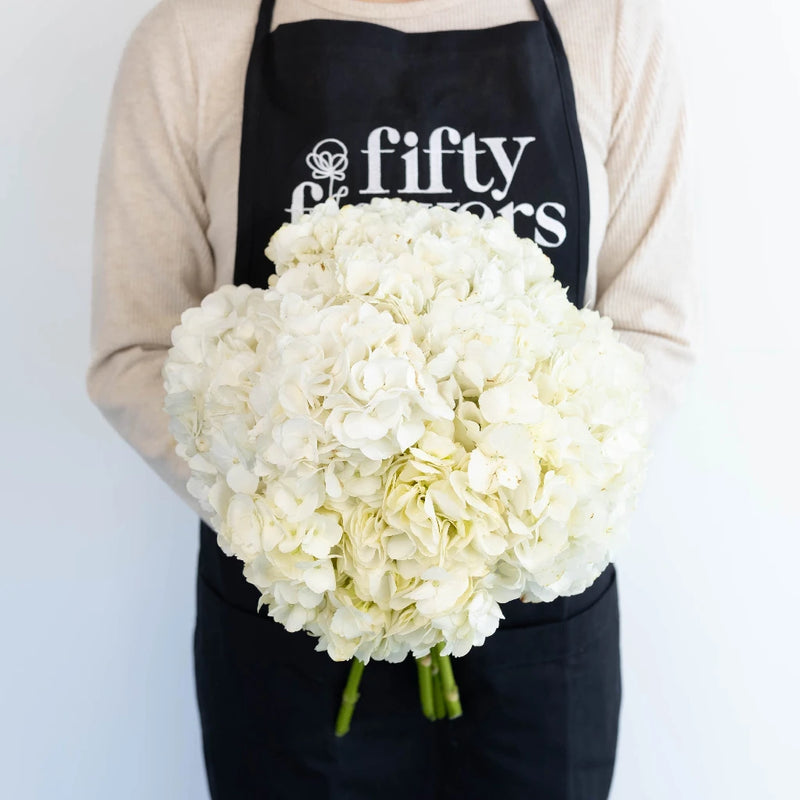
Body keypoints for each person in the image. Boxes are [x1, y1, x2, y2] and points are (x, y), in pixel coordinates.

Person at [87, 0, 696, 797]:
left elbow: (654, 332)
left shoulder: (611, 30)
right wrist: (322, 533)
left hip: (539, 629)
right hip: (291, 624)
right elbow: (135, 352)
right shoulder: (192, 39)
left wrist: (492, 531)